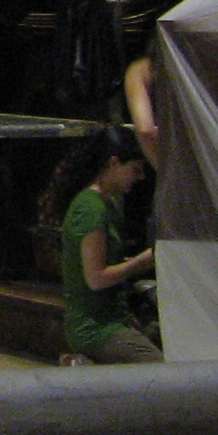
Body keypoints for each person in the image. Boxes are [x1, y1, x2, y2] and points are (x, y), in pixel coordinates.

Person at [52, 133, 160, 364]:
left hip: (116, 317)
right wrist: (146, 259)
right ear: (113, 163)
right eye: (135, 169)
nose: (141, 177)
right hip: (95, 328)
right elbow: (96, 278)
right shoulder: (90, 208)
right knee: (162, 372)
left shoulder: (110, 202)